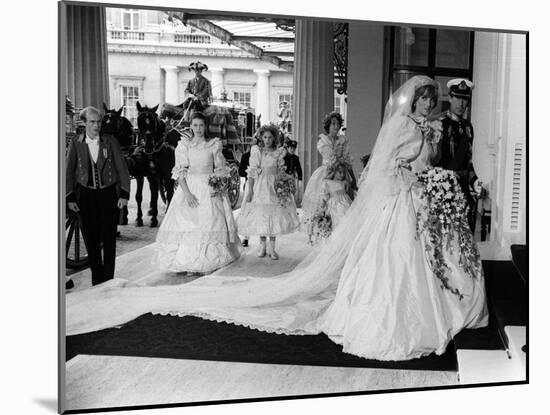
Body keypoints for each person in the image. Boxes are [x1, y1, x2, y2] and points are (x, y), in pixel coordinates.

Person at [66, 76, 488, 362]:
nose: (429, 105)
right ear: (414, 100)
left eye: (433, 101)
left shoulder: (429, 128)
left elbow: (423, 162)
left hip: (415, 201)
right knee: (393, 259)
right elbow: (388, 166)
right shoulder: (400, 126)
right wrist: (411, 175)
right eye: (425, 100)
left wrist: (430, 171)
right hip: (398, 200)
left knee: (421, 257)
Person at [155, 112, 241, 274]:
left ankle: (205, 260)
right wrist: (186, 193)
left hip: (209, 187)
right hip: (190, 187)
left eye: (201, 125)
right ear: (191, 126)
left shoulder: (213, 144)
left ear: (206, 126)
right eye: (195, 125)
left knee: (209, 221)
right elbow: (179, 171)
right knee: (188, 223)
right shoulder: (184, 145)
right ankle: (187, 261)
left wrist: (217, 187)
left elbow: (221, 169)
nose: (198, 129)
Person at [66, 106, 130, 286]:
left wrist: (124, 194)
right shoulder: (76, 142)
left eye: (99, 122)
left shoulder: (110, 141)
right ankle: (97, 279)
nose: (97, 125)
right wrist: (70, 198)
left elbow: (122, 169)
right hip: (85, 196)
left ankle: (108, 279)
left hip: (108, 194)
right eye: (92, 122)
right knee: (90, 238)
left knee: (109, 238)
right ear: (84, 123)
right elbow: (68, 172)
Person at [236, 124, 299, 260]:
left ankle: (272, 248)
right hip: (261, 185)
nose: (267, 140)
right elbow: (252, 172)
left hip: (274, 185)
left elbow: (282, 169)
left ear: (274, 138)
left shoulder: (278, 152)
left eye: (270, 137)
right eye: (265, 137)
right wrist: (251, 189)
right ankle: (262, 246)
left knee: (274, 215)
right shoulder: (257, 151)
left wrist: (284, 184)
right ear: (261, 138)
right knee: (262, 214)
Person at [435, 78, 482, 232]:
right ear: (450, 97)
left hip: (463, 190)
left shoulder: (468, 128)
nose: (461, 103)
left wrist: (474, 180)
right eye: (458, 98)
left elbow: (468, 162)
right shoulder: (439, 124)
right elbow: (433, 159)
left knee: (464, 237)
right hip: (443, 188)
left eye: (465, 99)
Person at [301, 112, 351, 227]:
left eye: (338, 124)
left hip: (341, 172)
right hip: (328, 173)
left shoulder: (343, 140)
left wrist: (350, 176)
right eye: (333, 124)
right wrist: (340, 161)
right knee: (324, 200)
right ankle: (324, 228)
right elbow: (331, 159)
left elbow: (347, 160)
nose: (336, 126)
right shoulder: (323, 141)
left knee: (342, 202)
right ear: (328, 126)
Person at [319, 161, 352, 229]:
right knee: (337, 219)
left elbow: (348, 192)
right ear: (334, 172)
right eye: (340, 172)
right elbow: (325, 196)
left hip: (346, 202)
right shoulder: (327, 182)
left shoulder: (344, 182)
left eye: (343, 172)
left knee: (347, 217)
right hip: (334, 204)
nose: (342, 174)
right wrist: (322, 206)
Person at [283, 140, 303, 206]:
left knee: (292, 193)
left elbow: (299, 169)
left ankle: (291, 208)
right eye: (291, 148)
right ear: (287, 148)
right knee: (284, 193)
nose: (292, 149)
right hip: (284, 178)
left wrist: (300, 178)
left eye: (294, 148)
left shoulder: (296, 158)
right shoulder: (284, 157)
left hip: (291, 177)